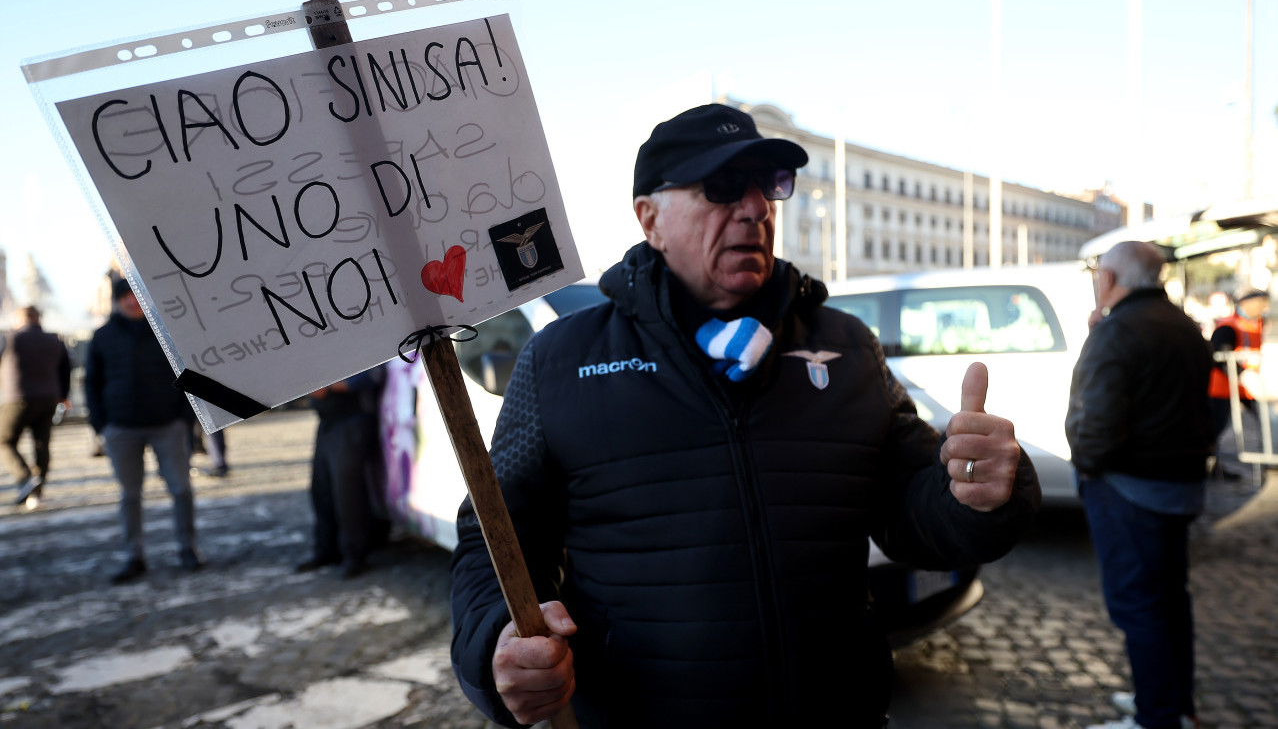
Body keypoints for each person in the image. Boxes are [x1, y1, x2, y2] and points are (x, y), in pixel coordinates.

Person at [450, 103, 1042, 729]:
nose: (757, 207)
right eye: (724, 186)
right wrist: (496, 644)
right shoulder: (562, 358)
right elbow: (495, 538)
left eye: (769, 185)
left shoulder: (845, 346)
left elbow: (913, 510)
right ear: (649, 218)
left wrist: (978, 490)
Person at [1066, 241, 1214, 729]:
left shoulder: (1118, 331)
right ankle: (1174, 704)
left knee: (1140, 605)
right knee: (1171, 599)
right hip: (1179, 486)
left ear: (1109, 278)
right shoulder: (1185, 327)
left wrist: (1087, 468)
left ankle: (1158, 717)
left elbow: (1097, 423)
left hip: (1128, 488)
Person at [86, 278, 204, 584]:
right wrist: (102, 424)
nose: (131, 302)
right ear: (118, 301)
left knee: (181, 489)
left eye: (135, 296)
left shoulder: (167, 333)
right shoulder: (102, 336)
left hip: (167, 425)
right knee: (130, 495)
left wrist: (183, 417)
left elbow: (187, 373)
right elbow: (92, 383)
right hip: (122, 428)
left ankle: (187, 548)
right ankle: (133, 555)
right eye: (125, 297)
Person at [296, 365, 385, 579]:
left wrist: (330, 387)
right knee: (321, 489)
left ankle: (354, 555)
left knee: (347, 493)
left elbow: (374, 374)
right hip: (328, 421)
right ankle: (326, 550)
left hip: (353, 420)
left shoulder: (358, 337)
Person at [0, 306, 72, 510]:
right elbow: (66, 369)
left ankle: (25, 479)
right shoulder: (55, 339)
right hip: (49, 398)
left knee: (4, 441)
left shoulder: (9, 338)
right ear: (38, 319)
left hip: (17, 398)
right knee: (42, 444)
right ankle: (37, 492)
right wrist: (63, 396)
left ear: (18, 320)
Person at [1207, 287, 1269, 479]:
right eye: (1261, 302)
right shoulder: (1229, 326)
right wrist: (1243, 375)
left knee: (1268, 422)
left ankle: (1268, 458)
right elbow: (1219, 355)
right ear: (1246, 303)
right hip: (1222, 388)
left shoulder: (1259, 323)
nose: (1265, 307)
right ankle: (1211, 467)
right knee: (1214, 429)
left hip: (1247, 388)